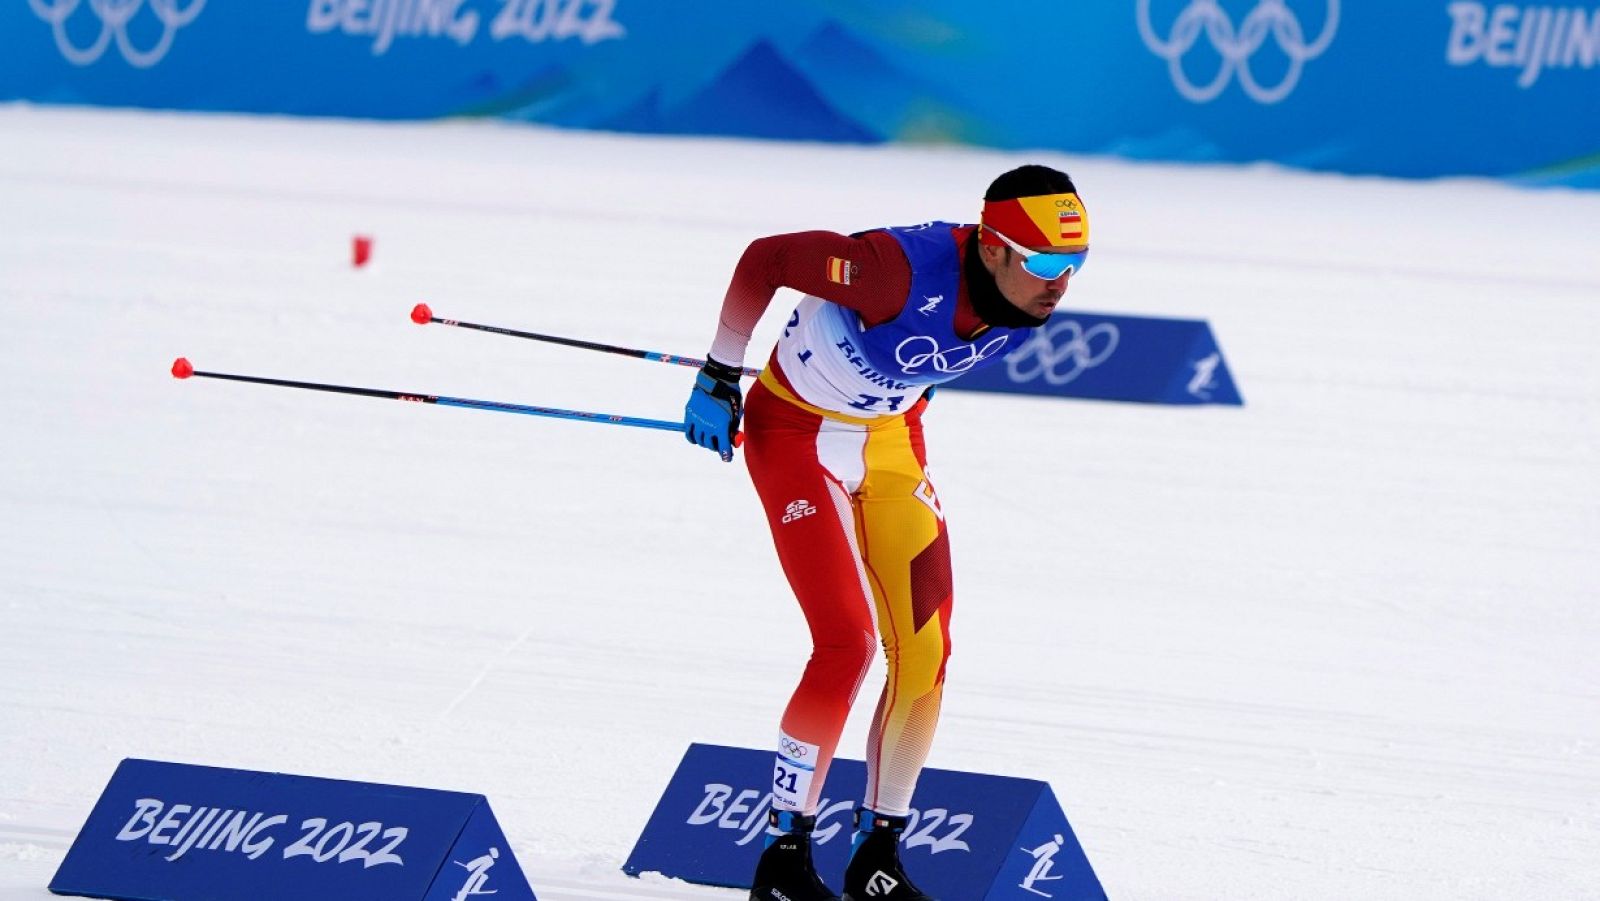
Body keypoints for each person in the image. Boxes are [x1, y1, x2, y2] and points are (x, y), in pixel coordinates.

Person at [683, 165, 1090, 901]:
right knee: (847, 643)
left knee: (927, 651)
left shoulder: (1019, 298)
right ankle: (783, 859)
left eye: (1075, 265)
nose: (1060, 284)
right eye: (1047, 264)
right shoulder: (891, 271)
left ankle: (877, 854)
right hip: (797, 436)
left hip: (892, 442)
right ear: (993, 248)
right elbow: (766, 259)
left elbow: (926, 359)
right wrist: (719, 373)